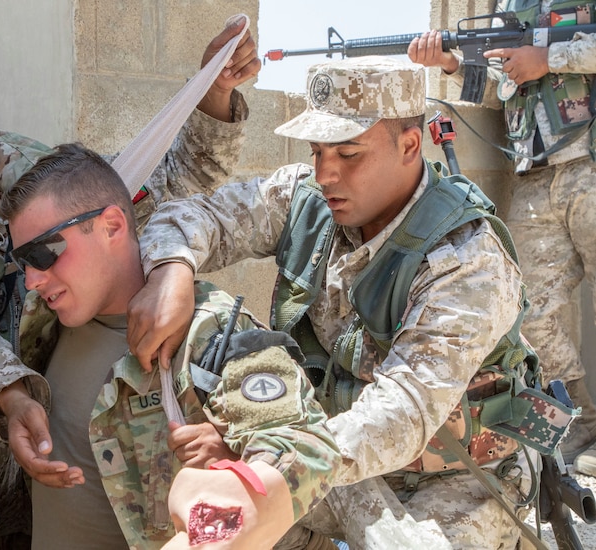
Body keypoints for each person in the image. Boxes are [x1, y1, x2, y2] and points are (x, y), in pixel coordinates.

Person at [125, 56, 573, 549]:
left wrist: (273, 460)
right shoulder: (304, 197)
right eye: (317, 151)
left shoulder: (467, 258)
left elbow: (404, 410)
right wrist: (173, 270)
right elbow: (192, 214)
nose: (325, 174)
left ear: (408, 145)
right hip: (325, 458)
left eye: (349, 153)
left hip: (454, 478)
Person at [0, 21, 261, 550]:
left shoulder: (47, 182)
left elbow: (163, 185)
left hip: (65, 407)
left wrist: (213, 94)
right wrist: (11, 398)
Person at [0, 142, 340, 549]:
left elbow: (303, 447)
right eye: (22, 259)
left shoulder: (209, 334)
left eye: (44, 253)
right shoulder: (42, 316)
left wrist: (230, 496)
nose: (32, 278)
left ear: (111, 226)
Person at [408, 1, 596, 476]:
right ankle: (581, 422)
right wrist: (450, 62)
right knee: (526, 308)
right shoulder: (509, 7)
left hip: (590, 163)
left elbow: (551, 60)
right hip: (536, 175)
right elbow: (500, 90)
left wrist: (549, 59)